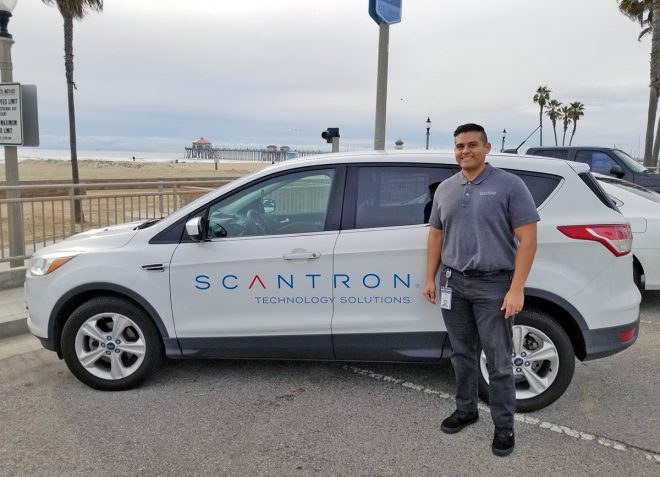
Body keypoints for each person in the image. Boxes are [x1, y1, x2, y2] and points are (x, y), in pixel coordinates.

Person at [423, 123, 539, 457]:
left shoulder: (509, 186)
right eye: (459, 146)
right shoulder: (446, 188)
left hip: (493, 285)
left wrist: (517, 289)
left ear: (487, 148)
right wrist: (431, 278)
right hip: (453, 283)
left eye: (472, 145)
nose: (465, 151)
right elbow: (435, 236)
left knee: (499, 361)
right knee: (461, 354)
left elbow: (528, 239)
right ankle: (466, 409)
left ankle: (504, 427)